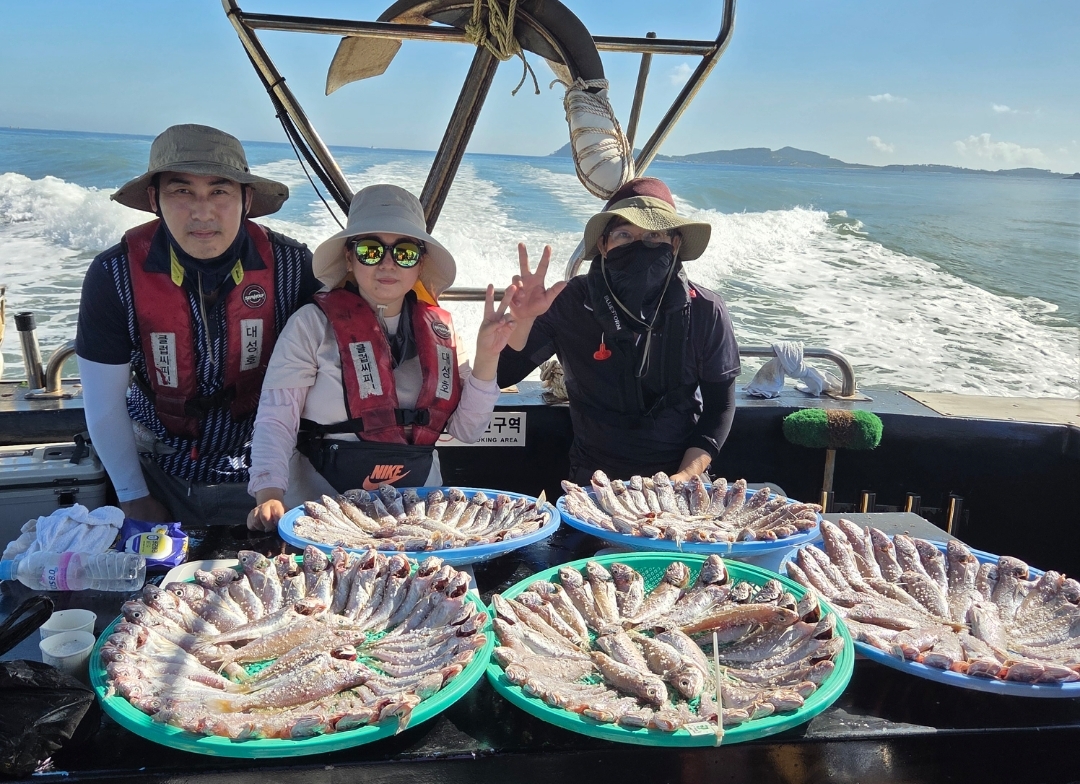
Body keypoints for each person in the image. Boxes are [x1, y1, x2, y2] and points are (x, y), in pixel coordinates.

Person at [76, 124, 321, 526]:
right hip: (159, 471)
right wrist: (134, 497)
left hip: (268, 475)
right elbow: (103, 401)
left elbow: (329, 375)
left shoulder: (295, 267)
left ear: (246, 199)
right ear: (154, 199)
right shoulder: (113, 274)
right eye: (182, 191)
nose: (202, 212)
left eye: (219, 191)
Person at [246, 184, 517, 532]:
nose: (388, 263)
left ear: (420, 263)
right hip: (323, 509)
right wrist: (269, 493)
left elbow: (468, 429)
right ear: (349, 258)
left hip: (417, 510)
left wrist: (488, 357)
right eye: (370, 250)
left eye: (405, 252)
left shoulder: (442, 332)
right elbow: (276, 418)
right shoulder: (310, 325)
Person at [498, 177, 741, 484]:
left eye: (654, 235)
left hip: (679, 476)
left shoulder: (706, 309)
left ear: (675, 243)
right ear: (603, 245)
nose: (640, 246)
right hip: (594, 479)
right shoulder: (570, 303)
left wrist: (684, 477)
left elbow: (720, 407)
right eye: (624, 235)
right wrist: (522, 320)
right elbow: (502, 375)